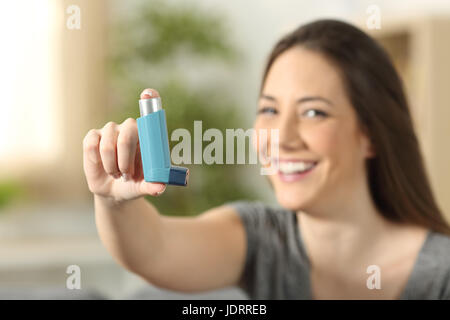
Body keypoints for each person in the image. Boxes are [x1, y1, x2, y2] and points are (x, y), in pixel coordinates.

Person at [82, 19, 450, 299]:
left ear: (370, 134)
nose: (282, 138)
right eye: (269, 110)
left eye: (314, 113)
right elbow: (155, 250)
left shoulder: (440, 274)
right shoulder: (262, 238)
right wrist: (113, 201)